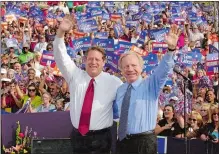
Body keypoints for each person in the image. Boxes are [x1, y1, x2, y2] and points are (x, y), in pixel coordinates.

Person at [53, 15, 123, 154]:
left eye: (97, 59)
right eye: (90, 59)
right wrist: (61, 32)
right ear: (84, 60)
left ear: (103, 62)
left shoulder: (114, 82)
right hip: (78, 137)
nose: (93, 62)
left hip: (102, 139)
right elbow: (61, 56)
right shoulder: (75, 75)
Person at [115, 24, 181, 154]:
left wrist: (171, 49)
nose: (130, 69)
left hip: (144, 143)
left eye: (134, 65)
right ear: (121, 70)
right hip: (122, 142)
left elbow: (163, 69)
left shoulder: (151, 85)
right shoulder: (120, 90)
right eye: (126, 66)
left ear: (141, 68)